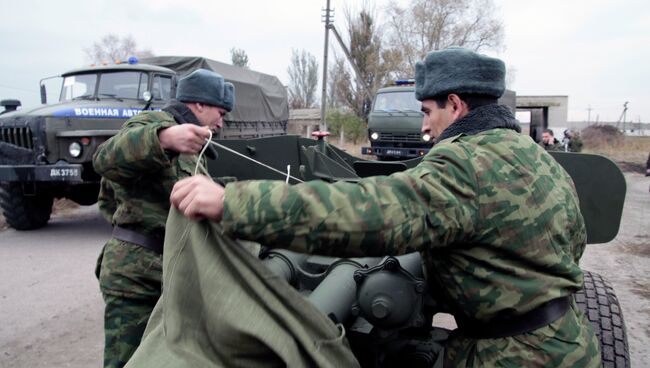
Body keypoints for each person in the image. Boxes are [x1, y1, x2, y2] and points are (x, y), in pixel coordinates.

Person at [170, 47, 600, 367]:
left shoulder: (464, 162)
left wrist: (234, 203)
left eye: (428, 110)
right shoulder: (538, 158)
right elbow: (573, 241)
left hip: (512, 356)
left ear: (455, 104)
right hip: (566, 341)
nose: (425, 126)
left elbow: (371, 214)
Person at [93, 69, 234, 368]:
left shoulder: (195, 147)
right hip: (137, 278)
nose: (221, 122)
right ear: (199, 105)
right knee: (127, 361)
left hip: (169, 271)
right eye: (219, 112)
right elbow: (105, 158)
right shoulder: (157, 125)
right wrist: (164, 138)